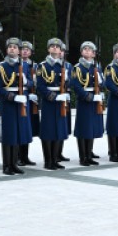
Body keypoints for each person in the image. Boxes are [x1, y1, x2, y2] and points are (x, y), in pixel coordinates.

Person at [0, 37, 31, 175]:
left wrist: (26, 82)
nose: (12, 49)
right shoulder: (1, 66)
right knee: (9, 134)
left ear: (19, 51)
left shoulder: (25, 65)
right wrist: (12, 97)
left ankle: (14, 163)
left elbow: (32, 83)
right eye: (10, 47)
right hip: (8, 103)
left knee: (18, 134)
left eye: (15, 47)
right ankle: (7, 165)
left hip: (22, 102)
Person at [35, 38, 72, 170]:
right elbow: (40, 86)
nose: (55, 48)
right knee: (48, 130)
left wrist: (67, 83)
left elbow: (69, 84)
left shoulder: (63, 66)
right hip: (49, 102)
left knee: (58, 130)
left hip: (61, 100)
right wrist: (54, 97)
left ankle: (55, 159)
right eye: (52, 46)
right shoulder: (42, 66)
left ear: (61, 50)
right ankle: (48, 161)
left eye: (57, 46)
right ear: (48, 49)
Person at [72, 41, 106, 166]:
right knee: (83, 129)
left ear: (94, 54)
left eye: (90, 49)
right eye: (85, 49)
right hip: (85, 101)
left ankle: (89, 154)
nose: (87, 51)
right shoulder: (77, 68)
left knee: (91, 128)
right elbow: (76, 85)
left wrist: (101, 82)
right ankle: (83, 157)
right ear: (81, 52)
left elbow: (103, 84)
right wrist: (88, 96)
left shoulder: (96, 67)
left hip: (95, 100)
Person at [18, 41, 39, 167]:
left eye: (28, 49)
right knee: (20, 127)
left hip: (32, 101)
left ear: (31, 52)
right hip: (22, 98)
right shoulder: (17, 63)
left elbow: (38, 82)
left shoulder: (35, 66)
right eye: (23, 49)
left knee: (28, 129)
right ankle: (18, 156)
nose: (25, 51)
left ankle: (25, 156)